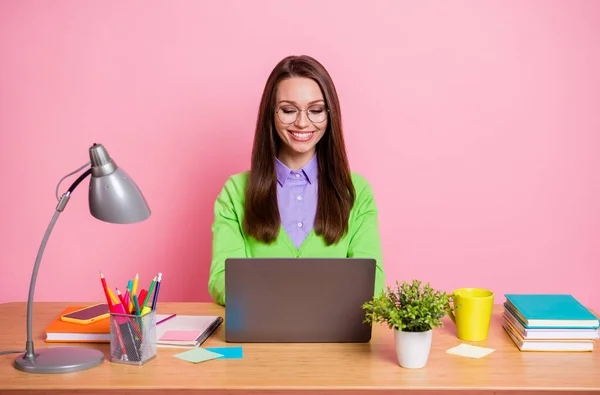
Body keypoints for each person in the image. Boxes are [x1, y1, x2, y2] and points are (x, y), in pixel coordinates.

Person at [208, 55, 385, 306]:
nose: (302, 122)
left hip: (337, 340)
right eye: (289, 110)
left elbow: (373, 282)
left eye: (315, 110)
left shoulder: (355, 190)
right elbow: (222, 280)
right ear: (271, 114)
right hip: (260, 338)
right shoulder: (236, 192)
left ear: (329, 114)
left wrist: (275, 293)